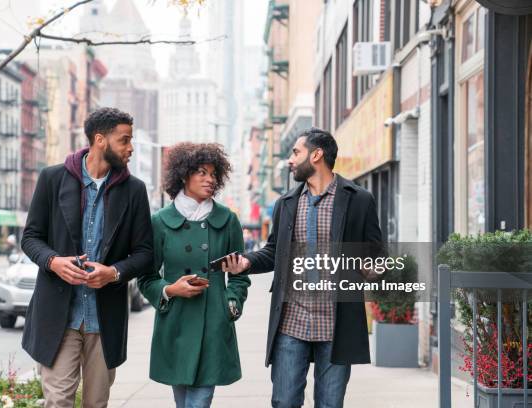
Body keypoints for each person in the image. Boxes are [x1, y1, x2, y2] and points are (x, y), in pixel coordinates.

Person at [224, 128, 383, 408]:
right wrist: (247, 262)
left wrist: (372, 269)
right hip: (291, 320)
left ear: (317, 154)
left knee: (330, 403)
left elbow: (375, 253)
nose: (290, 159)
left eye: (296, 152)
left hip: (336, 323)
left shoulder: (358, 199)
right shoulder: (286, 203)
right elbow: (274, 251)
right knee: (284, 401)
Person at [20, 107, 153, 407]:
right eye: (125, 140)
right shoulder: (52, 179)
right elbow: (29, 238)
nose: (130, 147)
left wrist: (114, 272)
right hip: (58, 317)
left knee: (96, 404)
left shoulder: (134, 191)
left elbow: (146, 254)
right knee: (58, 401)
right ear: (100, 140)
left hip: (104, 320)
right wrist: (54, 261)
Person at [138, 142, 251, 408]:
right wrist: (170, 290)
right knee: (183, 402)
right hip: (176, 324)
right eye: (201, 172)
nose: (209, 179)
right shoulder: (161, 222)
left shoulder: (228, 220)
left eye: (213, 174)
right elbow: (146, 278)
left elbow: (239, 275)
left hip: (214, 322)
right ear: (183, 175)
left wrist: (230, 304)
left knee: (199, 403)